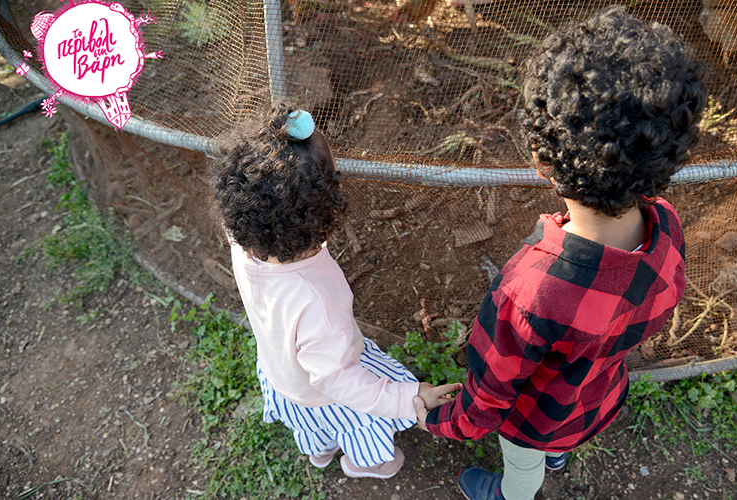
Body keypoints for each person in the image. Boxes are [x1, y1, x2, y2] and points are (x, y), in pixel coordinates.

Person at [411, 6, 707, 500]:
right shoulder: (667, 227)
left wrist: (443, 422)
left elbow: (489, 394)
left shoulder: (528, 292)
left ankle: (512, 493)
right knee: (555, 442)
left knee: (523, 464)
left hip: (533, 421)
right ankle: (559, 451)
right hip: (595, 398)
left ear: (541, 159)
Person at [211, 102, 460, 479]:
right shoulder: (317, 301)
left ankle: (320, 453)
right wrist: (409, 399)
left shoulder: (242, 241)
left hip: (280, 374)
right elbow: (340, 382)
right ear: (325, 212)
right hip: (326, 394)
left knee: (309, 426)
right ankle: (368, 463)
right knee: (359, 422)